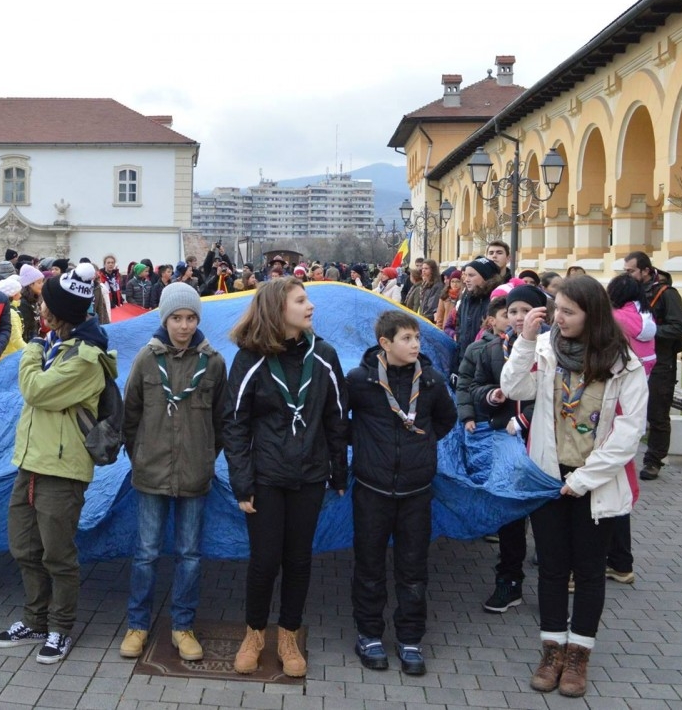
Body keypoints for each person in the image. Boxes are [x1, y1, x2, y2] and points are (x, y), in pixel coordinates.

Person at [500, 274, 647, 698]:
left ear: (592, 314)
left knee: (588, 571)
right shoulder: (546, 348)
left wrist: (583, 479)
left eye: (568, 311)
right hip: (549, 477)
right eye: (556, 309)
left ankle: (579, 654)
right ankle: (552, 650)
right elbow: (513, 387)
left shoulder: (623, 363)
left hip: (595, 482)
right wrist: (525, 341)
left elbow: (628, 432)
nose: (558, 318)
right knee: (551, 568)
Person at [0, 263, 116, 664]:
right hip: (31, 463)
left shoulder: (86, 358)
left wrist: (30, 349)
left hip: (62, 470)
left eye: (46, 303)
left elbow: (35, 390)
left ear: (60, 312)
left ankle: (60, 628)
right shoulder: (54, 345)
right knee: (24, 547)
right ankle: (35, 620)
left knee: (57, 555)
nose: (40, 307)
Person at [223, 277, 349, 678]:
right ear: (278, 309)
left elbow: (337, 417)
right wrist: (242, 482)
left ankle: (288, 636)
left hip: (309, 476)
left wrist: (339, 471)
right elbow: (235, 423)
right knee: (264, 561)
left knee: (298, 559)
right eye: (301, 300)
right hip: (266, 477)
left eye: (307, 299)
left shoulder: (324, 355)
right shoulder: (250, 358)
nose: (310, 306)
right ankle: (254, 634)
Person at [118, 283, 228, 662]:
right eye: (177, 318)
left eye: (191, 318)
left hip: (195, 476)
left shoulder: (213, 363)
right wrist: (141, 456)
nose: (184, 325)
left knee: (189, 555)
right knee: (146, 553)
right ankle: (137, 624)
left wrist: (205, 456)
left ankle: (183, 626)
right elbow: (129, 416)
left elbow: (222, 421)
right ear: (165, 319)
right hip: (151, 475)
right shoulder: (146, 360)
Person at [347, 310, 456, 676]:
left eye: (417, 338)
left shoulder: (432, 381)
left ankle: (410, 638)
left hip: (416, 491)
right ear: (385, 343)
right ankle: (369, 635)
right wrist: (365, 444)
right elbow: (339, 421)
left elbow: (446, 419)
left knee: (413, 569)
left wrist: (422, 446)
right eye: (407, 338)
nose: (415, 345)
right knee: (369, 566)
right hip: (372, 490)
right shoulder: (360, 381)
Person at [456, 286, 547, 614]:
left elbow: (556, 395)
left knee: (546, 517)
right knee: (511, 516)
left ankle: (553, 586)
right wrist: (490, 396)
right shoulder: (493, 349)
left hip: (543, 443)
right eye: (513, 312)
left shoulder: (553, 348)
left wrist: (524, 418)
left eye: (526, 310)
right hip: (504, 441)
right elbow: (474, 386)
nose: (519, 318)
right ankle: (509, 581)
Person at [604, 273, 658, 586]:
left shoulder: (614, 321)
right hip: (634, 405)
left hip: (613, 410)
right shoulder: (645, 321)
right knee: (620, 485)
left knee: (609, 487)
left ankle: (612, 561)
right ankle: (621, 562)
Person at [623, 252, 682, 481]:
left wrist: (647, 332)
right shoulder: (631, 294)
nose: (627, 275)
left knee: (657, 413)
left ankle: (653, 461)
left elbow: (680, 327)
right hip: (632, 361)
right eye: (625, 271)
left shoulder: (666, 293)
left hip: (660, 362)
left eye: (631, 271)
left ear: (646, 271)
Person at [452, 257, 504, 376]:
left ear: (486, 277)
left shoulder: (494, 300)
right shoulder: (466, 297)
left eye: (471, 275)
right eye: (466, 275)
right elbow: (459, 328)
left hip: (485, 364)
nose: (466, 280)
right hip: (465, 361)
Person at [17, 265, 46, 343]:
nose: (42, 284)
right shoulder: (23, 304)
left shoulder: (34, 300)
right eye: (39, 282)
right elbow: (24, 330)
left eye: (42, 281)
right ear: (30, 284)